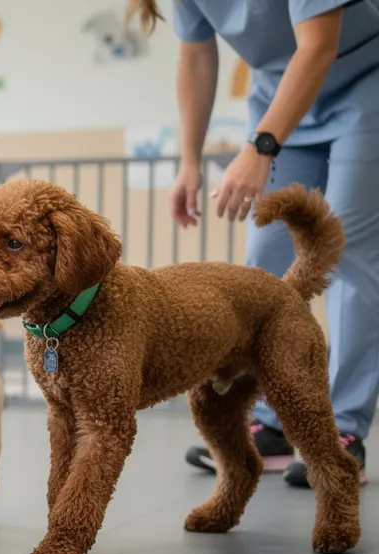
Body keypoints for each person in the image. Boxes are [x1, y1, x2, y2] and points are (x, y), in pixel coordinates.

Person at [136, 0, 379, 486]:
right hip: (278, 95)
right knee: (265, 260)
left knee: (346, 248)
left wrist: (260, 146)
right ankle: (272, 423)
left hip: (363, 86)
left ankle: (344, 430)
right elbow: (196, 58)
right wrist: (187, 159)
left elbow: (318, 44)